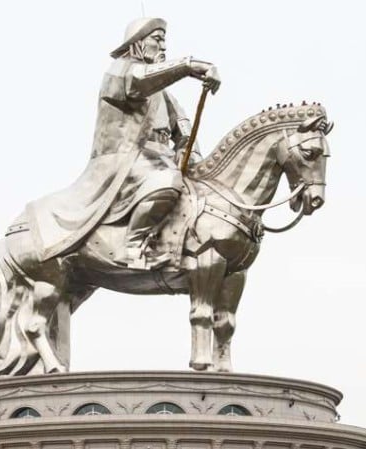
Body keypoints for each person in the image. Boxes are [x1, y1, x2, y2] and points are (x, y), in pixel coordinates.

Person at [28, 17, 221, 270]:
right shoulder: (120, 71)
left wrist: (190, 156)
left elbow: (185, 133)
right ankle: (133, 245)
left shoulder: (167, 98)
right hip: (126, 158)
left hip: (162, 161)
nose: (163, 47)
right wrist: (188, 66)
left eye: (165, 41)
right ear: (138, 43)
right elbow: (140, 81)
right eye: (157, 39)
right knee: (167, 182)